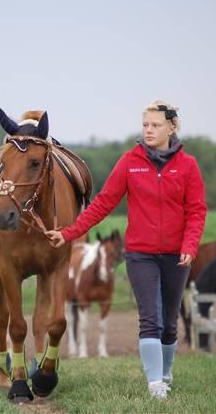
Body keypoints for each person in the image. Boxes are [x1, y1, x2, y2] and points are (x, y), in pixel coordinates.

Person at [46, 100, 206, 400]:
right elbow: (103, 203)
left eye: (155, 125)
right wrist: (69, 234)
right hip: (140, 254)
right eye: (145, 125)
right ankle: (155, 384)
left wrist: (190, 245)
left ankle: (166, 373)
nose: (148, 130)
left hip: (177, 254)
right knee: (150, 319)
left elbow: (196, 211)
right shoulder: (129, 161)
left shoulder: (188, 166)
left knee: (170, 323)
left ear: (171, 127)